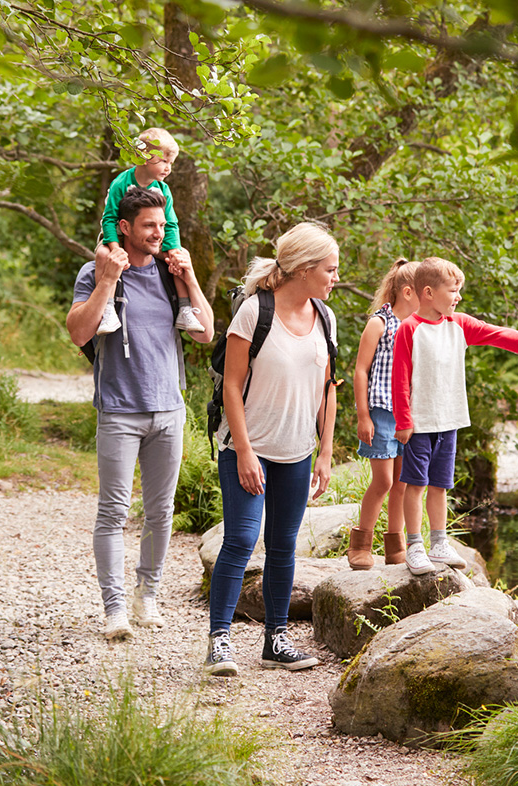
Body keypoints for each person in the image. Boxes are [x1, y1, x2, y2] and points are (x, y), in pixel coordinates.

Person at [67, 187, 215, 642]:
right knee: (112, 512)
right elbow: (77, 332)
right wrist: (109, 281)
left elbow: (207, 334)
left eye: (162, 224)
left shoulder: (172, 276)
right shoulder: (95, 272)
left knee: (161, 511)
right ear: (125, 228)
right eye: (149, 225)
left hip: (169, 409)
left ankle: (146, 593)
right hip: (118, 410)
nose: (158, 232)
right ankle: (114, 609)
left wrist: (189, 279)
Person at [203, 222, 340, 677]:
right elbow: (233, 387)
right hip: (249, 445)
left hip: (298, 451)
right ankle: (219, 642)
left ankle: (275, 641)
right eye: (330, 269)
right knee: (242, 538)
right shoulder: (254, 312)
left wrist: (325, 452)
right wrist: (243, 451)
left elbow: (328, 386)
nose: (335, 277)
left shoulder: (325, 316)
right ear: (303, 269)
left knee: (283, 545)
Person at [392, 257, 518, 576]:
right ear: (429, 292)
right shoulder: (410, 329)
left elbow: (500, 335)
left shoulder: (458, 324)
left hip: (450, 421)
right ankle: (414, 546)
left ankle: (438, 543)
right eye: (453, 290)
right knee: (414, 485)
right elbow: (400, 378)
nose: (458, 296)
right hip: (419, 424)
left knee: (439, 485)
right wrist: (403, 421)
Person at [93, 127, 204, 337]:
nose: (168, 168)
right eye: (163, 162)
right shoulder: (121, 183)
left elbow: (171, 224)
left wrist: (173, 250)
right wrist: (116, 248)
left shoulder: (163, 190)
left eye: (171, 163)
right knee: (102, 255)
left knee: (179, 258)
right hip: (116, 237)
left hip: (151, 240)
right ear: (143, 157)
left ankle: (184, 308)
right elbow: (108, 219)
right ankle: (107, 308)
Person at [347, 258, 421, 570]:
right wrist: (363, 416)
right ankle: (360, 544)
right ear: (408, 292)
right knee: (384, 481)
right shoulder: (380, 323)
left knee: (403, 483)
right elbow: (361, 371)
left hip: (409, 415)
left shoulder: (419, 325)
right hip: (380, 413)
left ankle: (395, 546)